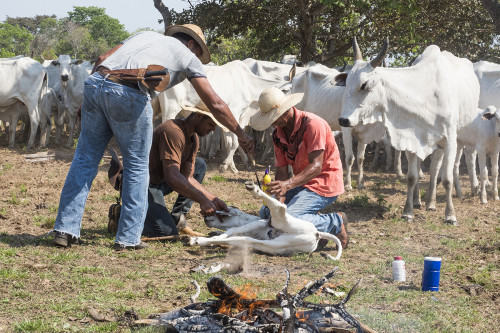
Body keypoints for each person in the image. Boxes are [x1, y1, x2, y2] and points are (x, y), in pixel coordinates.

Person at [52, 24, 254, 251]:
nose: (195, 57)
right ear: (191, 44)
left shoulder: (143, 35)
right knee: (138, 166)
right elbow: (214, 103)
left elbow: (102, 57)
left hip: (97, 82)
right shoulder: (187, 55)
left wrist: (89, 98)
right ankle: (128, 238)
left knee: (85, 159)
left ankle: (64, 229)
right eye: (197, 52)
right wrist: (240, 133)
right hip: (129, 91)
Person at [249, 87, 349, 250]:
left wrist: (287, 186)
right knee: (267, 214)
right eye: (270, 119)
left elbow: (317, 167)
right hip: (301, 183)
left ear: (286, 109)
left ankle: (336, 221)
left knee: (289, 218)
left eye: (275, 117)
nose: (273, 122)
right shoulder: (278, 134)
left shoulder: (312, 125)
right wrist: (277, 206)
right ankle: (315, 225)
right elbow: (281, 171)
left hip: (324, 183)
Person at [143, 103, 229, 237]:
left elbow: (188, 177)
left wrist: (213, 199)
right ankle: (122, 214)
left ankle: (178, 218)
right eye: (210, 124)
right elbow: (172, 177)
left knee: (199, 165)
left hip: (161, 181)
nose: (212, 129)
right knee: (166, 233)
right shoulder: (173, 131)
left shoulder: (193, 138)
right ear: (198, 115)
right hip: (144, 185)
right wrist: (202, 199)